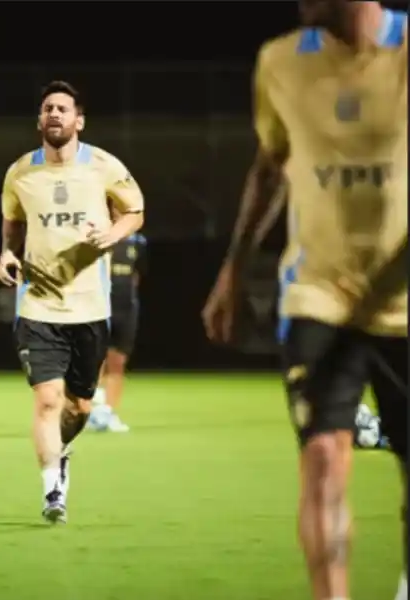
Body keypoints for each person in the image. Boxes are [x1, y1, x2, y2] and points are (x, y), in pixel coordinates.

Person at [201, 3, 407, 599]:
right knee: (322, 460)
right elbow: (270, 168)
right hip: (318, 295)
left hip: (402, 301)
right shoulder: (280, 62)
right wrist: (233, 271)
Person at [0, 81, 145, 523]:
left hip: (90, 307)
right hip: (38, 306)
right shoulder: (20, 172)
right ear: (39, 121)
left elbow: (135, 210)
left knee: (79, 405)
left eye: (63, 108)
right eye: (47, 109)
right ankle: (51, 492)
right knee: (46, 401)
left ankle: (61, 454)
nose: (55, 114)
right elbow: (12, 222)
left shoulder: (103, 166)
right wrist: (7, 252)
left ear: (79, 120)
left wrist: (113, 234)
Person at [90, 232, 147, 433]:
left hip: (126, 307)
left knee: (118, 362)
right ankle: (87, 411)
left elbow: (137, 275)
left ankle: (108, 412)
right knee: (95, 360)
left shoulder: (138, 241)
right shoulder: (97, 236)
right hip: (98, 305)